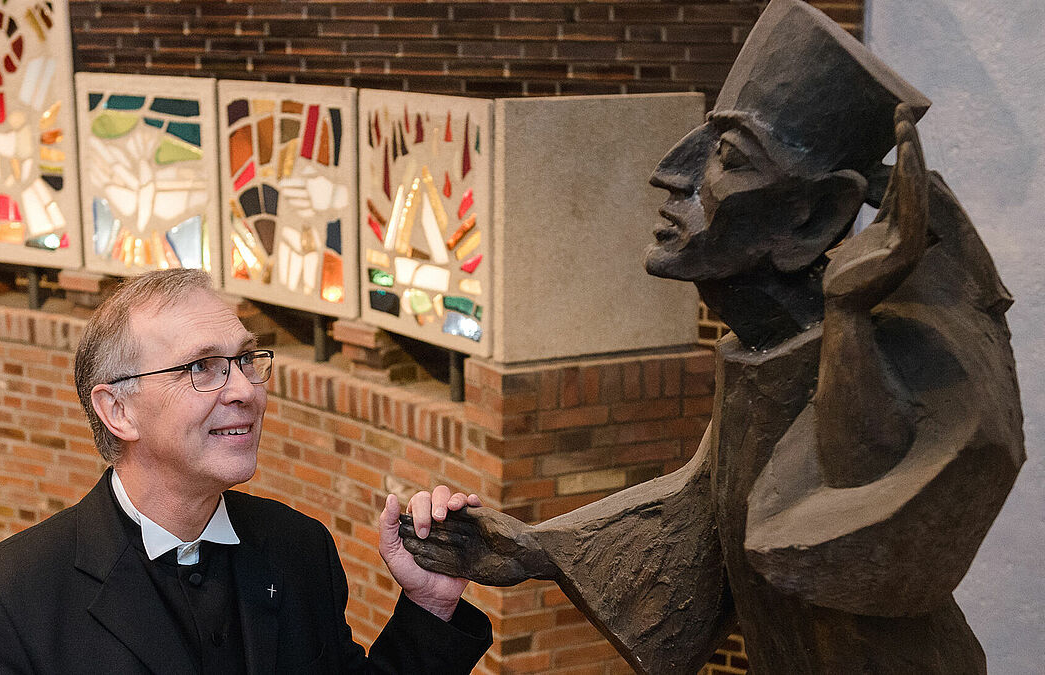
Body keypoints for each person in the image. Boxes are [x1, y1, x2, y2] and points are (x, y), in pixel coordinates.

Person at [400, 1, 1023, 673]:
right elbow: (699, 511)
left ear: (814, 214)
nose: (672, 173)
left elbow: (842, 517)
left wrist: (845, 317)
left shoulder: (888, 358)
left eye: (728, 155)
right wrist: (530, 548)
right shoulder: (765, 355)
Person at [0, 268, 492, 673]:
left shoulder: (299, 549)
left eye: (247, 360)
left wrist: (430, 603)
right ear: (119, 411)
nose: (244, 390)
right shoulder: (7, 602)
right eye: (203, 367)